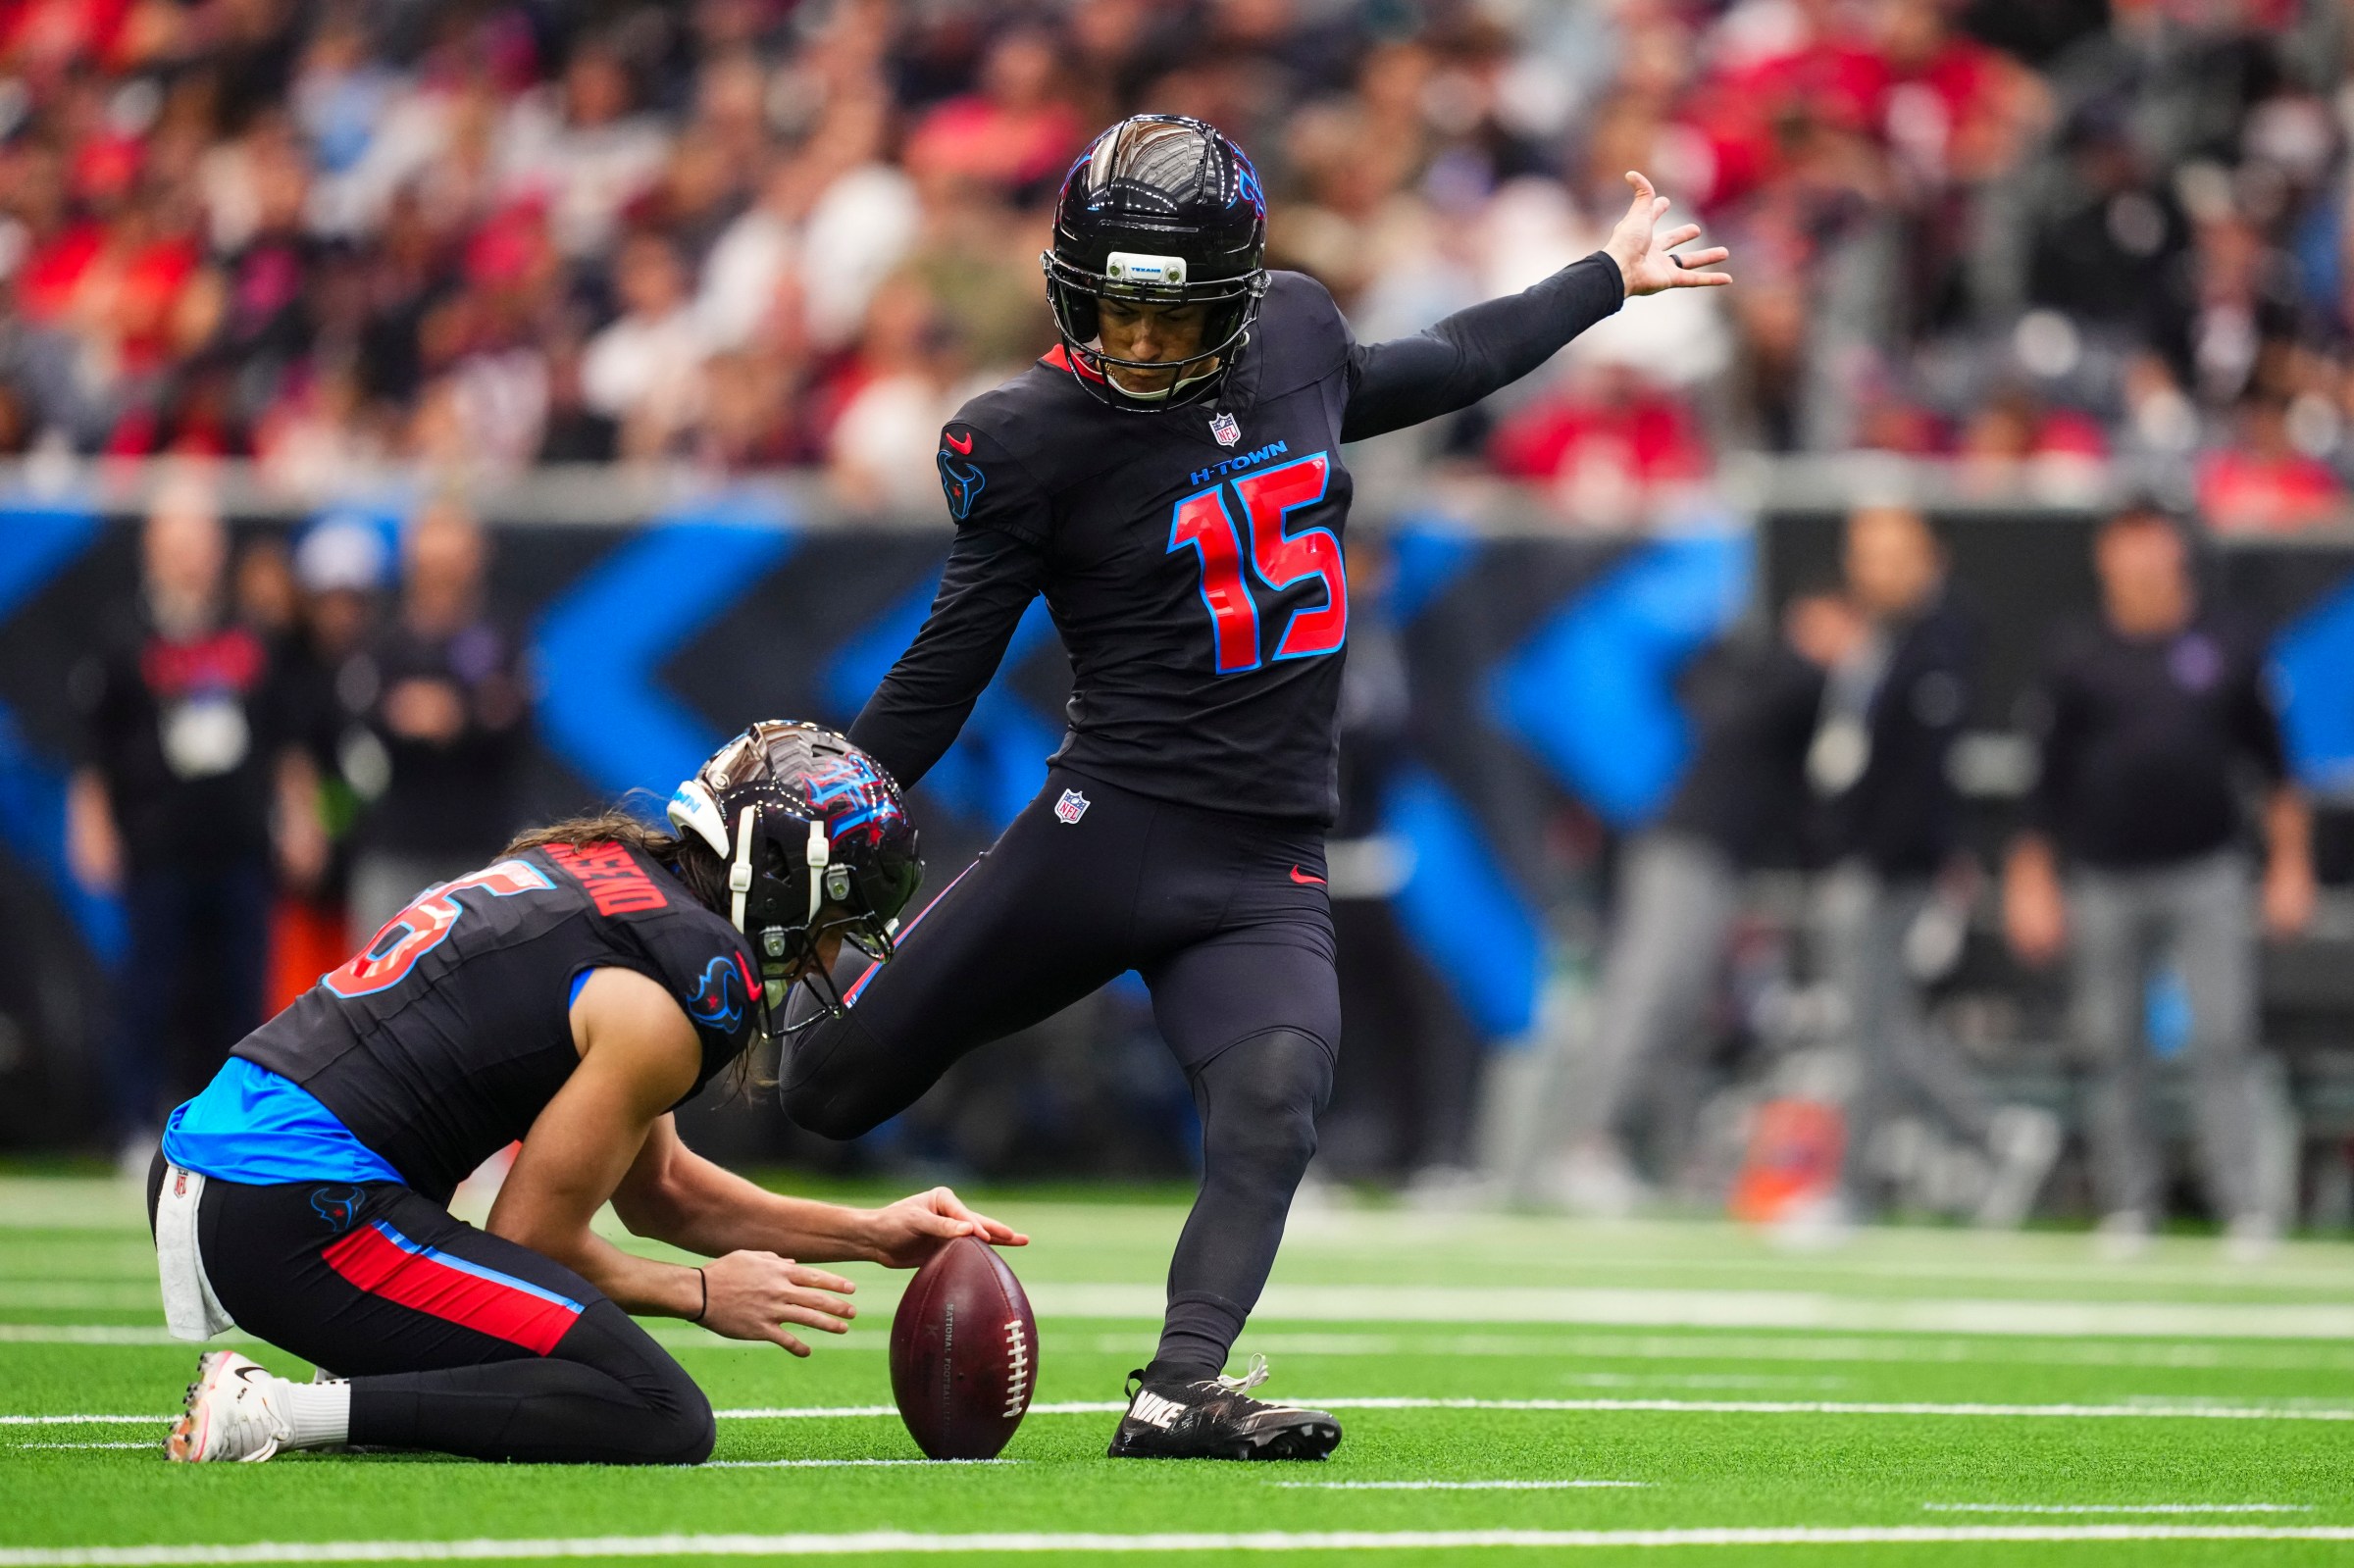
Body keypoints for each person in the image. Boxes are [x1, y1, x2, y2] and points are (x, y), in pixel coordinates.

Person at [782, 115, 1728, 1460]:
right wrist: (828, 819)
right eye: (1115, 310)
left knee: (1277, 1091)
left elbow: (1446, 361)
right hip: (1101, 833)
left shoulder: (1294, 337)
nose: (1138, 342)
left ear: (1231, 301)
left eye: (1171, 317)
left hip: (1262, 856)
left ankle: (1180, 1388)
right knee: (824, 1091)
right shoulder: (1029, 435)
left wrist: (1602, 278)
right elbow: (946, 668)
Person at [157, 720, 1022, 1465]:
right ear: (783, 882)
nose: (830, 954)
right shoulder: (684, 988)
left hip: (236, 1171)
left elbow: (662, 1191)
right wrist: (700, 1292)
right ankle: (277, 1410)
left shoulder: (608, 877)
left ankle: (368, 1358)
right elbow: (531, 1236)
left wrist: (871, 1232)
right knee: (659, 1409)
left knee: (574, 1355)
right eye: (836, 921)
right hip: (293, 1206)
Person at [2004, 504, 2314, 1257]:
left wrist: (2289, 864)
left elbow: (2277, 767)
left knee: (2223, 1035)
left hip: (2206, 868)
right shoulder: (2077, 652)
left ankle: (2245, 1202)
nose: (2141, 565)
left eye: (2152, 549)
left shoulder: (2226, 642)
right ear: (2105, 558)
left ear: (2176, 554)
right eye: (2127, 550)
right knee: (2111, 1042)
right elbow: (2044, 780)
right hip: (2104, 874)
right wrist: (2031, 878)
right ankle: (2130, 1203)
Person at [1534, 586, 1863, 1216]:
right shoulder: (1788, 675)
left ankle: (1661, 1151)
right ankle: (1584, 1144)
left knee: (1685, 1007)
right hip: (1687, 848)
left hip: (1709, 853)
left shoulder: (1762, 678)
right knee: (1648, 994)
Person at [1814, 504, 2059, 1226]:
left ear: (1929, 560)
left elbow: (1916, 780)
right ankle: (1995, 1136)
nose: (1874, 570)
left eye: (1892, 554)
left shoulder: (1938, 642)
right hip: (1872, 861)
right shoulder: (1882, 639)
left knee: (1873, 1032)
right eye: (1865, 554)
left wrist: (1874, 858)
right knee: (1881, 1028)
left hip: (1896, 868)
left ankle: (1862, 1185)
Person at [68, 484, 326, 1171]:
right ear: (152, 549)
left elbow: (284, 740)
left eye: (202, 542)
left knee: (240, 991)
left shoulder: (250, 633)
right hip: (158, 843)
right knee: (150, 987)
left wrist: (301, 818)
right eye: (179, 543)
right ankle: (135, 1122)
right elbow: (95, 745)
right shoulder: (123, 634)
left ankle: (229, 1126)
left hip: (239, 842)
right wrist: (92, 823)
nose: (192, 557)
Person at [348, 501, 528, 940]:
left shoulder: (503, 635)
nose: (441, 579)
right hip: (397, 846)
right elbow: (361, 716)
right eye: (430, 566)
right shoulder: (383, 639)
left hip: (481, 848)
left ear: (475, 561)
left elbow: (512, 715)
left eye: (451, 565)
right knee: (384, 966)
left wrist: (454, 716)